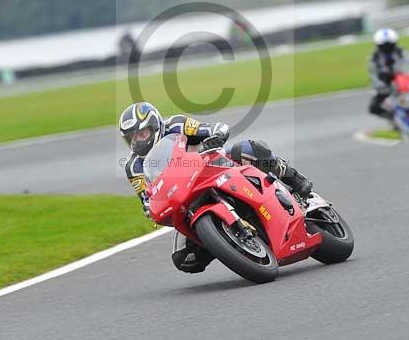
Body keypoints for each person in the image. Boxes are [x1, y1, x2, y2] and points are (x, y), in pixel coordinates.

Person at [118, 101, 313, 273]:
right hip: (183, 196)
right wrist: (150, 207)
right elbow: (146, 197)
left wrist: (216, 134)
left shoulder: (177, 124)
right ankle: (226, 242)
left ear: (155, 126)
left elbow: (209, 129)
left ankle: (295, 180)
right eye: (132, 138)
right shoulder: (133, 166)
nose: (137, 141)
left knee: (247, 149)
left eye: (141, 134)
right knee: (185, 260)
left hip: (213, 167)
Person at [367, 27, 409, 121]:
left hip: (405, 80)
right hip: (386, 84)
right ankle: (393, 120)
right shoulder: (373, 58)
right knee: (374, 107)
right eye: (384, 45)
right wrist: (380, 85)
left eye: (390, 44)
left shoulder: (401, 52)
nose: (387, 47)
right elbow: (373, 74)